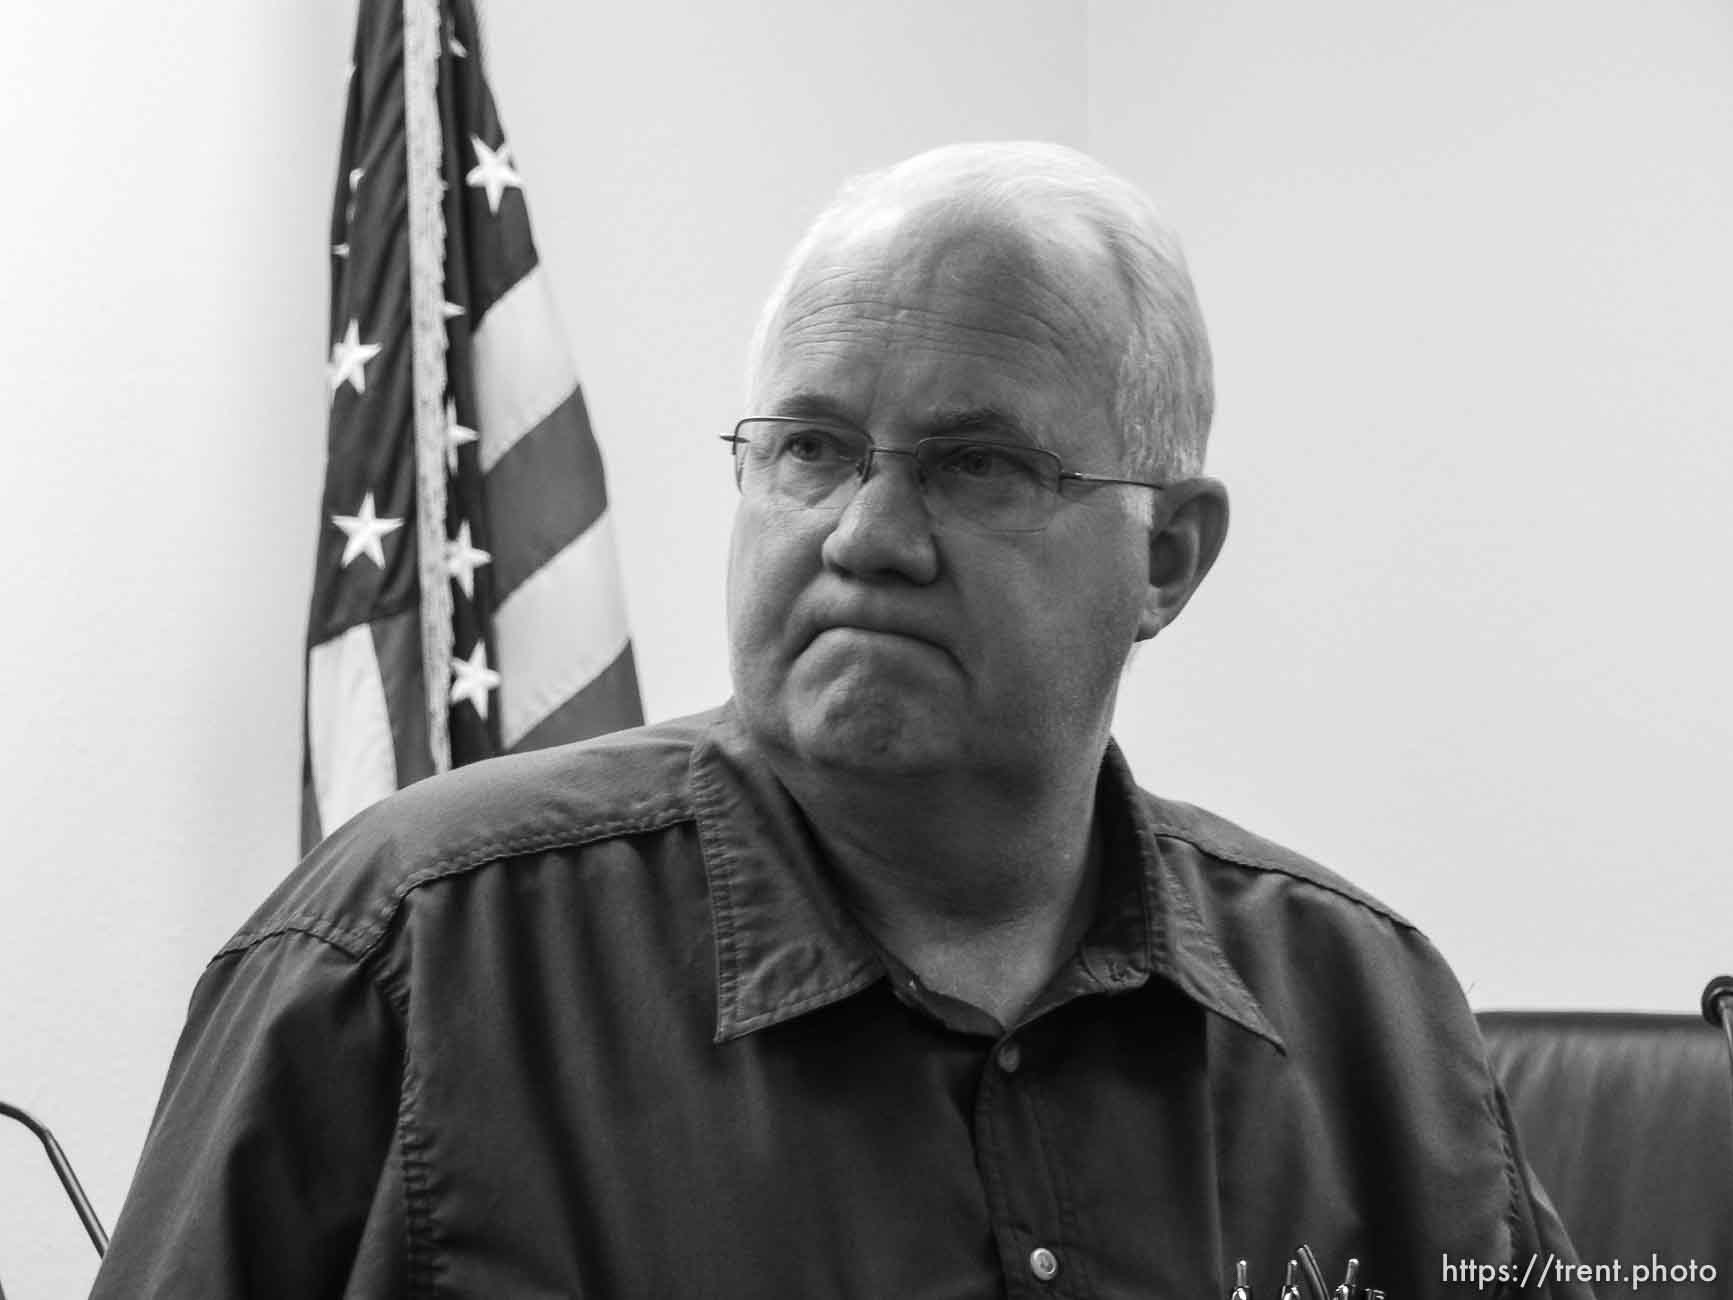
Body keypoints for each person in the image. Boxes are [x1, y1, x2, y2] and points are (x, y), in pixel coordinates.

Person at [93, 142, 1586, 1298]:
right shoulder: (406, 956)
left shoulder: (1365, 1017)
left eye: (979, 463)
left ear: (1167, 559)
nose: (867, 533)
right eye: (809, 448)